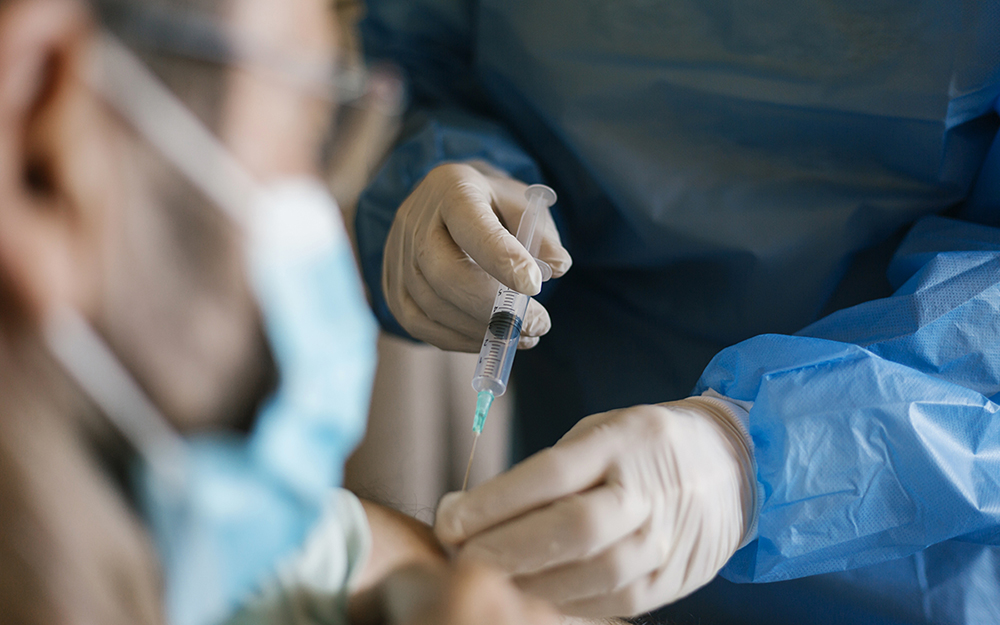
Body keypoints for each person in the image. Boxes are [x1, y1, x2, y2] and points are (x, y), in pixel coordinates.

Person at [353, 1, 1000, 623]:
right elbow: (435, 64)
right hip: (575, 528)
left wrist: (758, 455)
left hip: (908, 544)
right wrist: (466, 177)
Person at [0, 1, 582, 624]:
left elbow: (342, 558)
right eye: (307, 129)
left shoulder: (179, 529)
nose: (330, 244)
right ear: (43, 138)